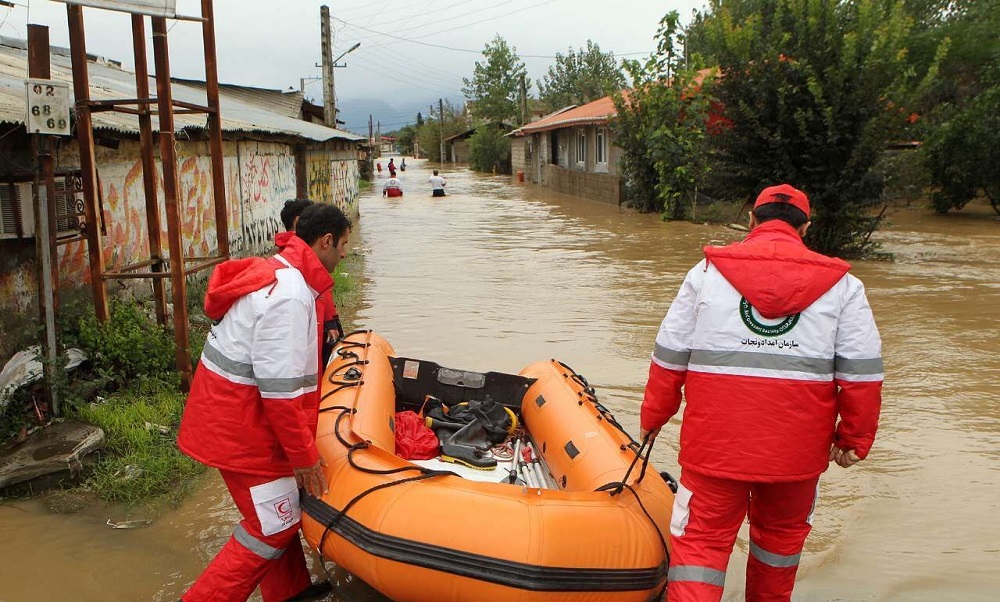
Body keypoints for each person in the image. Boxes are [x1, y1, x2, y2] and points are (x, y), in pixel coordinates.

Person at [639, 184, 883, 602]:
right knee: (779, 547)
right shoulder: (844, 287)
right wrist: (854, 440)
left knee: (701, 545)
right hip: (796, 455)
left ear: (751, 220)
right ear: (805, 227)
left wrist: (653, 419)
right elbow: (862, 374)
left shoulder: (705, 275)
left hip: (715, 447)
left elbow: (668, 358)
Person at [177, 204, 352, 602]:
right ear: (325, 242)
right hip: (238, 429)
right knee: (271, 525)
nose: (344, 254)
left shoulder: (281, 276)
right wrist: (305, 456)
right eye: (343, 245)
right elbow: (281, 391)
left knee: (279, 512)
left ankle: (291, 593)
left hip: (233, 419)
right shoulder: (290, 296)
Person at [277, 199, 345, 362]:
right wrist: (330, 322)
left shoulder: (286, 255)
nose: (343, 254)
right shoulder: (294, 290)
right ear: (298, 221)